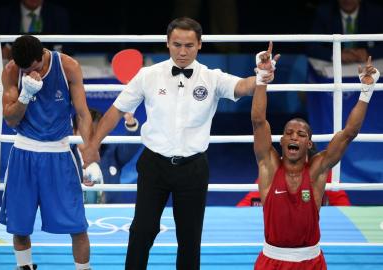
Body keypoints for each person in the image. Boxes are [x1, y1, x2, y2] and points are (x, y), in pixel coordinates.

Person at [82, 17, 275, 270]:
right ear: (167, 43)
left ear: (200, 45)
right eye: (177, 45)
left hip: (193, 168)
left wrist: (261, 73)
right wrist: (93, 145)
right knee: (141, 232)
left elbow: (243, 86)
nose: (182, 52)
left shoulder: (211, 77)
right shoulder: (148, 75)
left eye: (189, 45)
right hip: (154, 166)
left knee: (189, 240)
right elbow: (115, 111)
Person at [251, 44, 379, 268]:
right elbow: (258, 121)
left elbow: (349, 133)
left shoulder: (317, 170)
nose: (294, 137)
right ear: (281, 141)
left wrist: (366, 92)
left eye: (301, 134)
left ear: (308, 143)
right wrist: (262, 78)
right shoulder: (269, 166)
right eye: (288, 133)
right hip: (272, 260)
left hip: (311, 261)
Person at [0, 35, 93, 270]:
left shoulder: (68, 66)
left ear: (42, 55)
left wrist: (89, 150)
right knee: (19, 226)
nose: (33, 74)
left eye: (35, 68)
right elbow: (10, 120)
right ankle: (24, 267)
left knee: (77, 225)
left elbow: (82, 114)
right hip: (24, 153)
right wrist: (25, 95)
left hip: (58, 154)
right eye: (26, 70)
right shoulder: (12, 71)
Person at [237, 145, 351, 207]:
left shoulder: (321, 172)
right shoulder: (274, 171)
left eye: (299, 158)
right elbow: (248, 204)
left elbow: (343, 206)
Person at [72, 108, 141, 204]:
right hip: (75, 214)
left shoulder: (111, 152)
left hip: (110, 214)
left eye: (95, 133)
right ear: (74, 132)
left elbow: (131, 145)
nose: (90, 139)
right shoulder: (66, 157)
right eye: (85, 133)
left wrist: (130, 122)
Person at [307, 0, 383, 63]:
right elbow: (312, 47)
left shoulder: (375, 13)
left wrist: (369, 53)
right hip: (334, 68)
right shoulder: (324, 12)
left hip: (366, 67)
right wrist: (337, 55)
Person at [0, 0, 70, 59]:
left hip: (47, 64)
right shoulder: (3, 14)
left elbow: (67, 47)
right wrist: (0, 51)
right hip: (10, 63)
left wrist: (52, 56)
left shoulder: (59, 14)